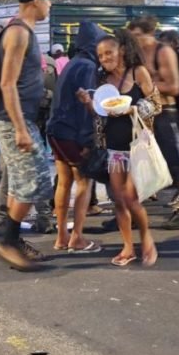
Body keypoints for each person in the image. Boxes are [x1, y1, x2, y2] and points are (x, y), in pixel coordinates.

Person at [0, 0, 61, 271]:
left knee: (21, 182)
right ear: (34, 1)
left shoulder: (25, 31)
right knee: (38, 182)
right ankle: (7, 241)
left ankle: (12, 239)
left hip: (19, 118)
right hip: (12, 120)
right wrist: (20, 128)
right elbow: (7, 84)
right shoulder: (18, 33)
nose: (50, 3)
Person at [77, 30, 161, 267]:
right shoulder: (104, 84)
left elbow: (157, 105)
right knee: (119, 201)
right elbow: (101, 116)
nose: (104, 58)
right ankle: (127, 246)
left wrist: (132, 109)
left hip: (137, 148)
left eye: (108, 53)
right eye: (100, 55)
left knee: (132, 199)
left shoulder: (138, 73)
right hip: (114, 150)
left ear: (121, 51)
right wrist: (88, 105)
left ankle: (147, 240)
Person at [129, 17, 179, 230]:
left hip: (165, 112)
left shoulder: (163, 52)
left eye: (138, 36)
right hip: (143, 115)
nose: (135, 40)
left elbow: (174, 86)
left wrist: (146, 84)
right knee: (139, 163)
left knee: (176, 162)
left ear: (150, 33)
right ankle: (132, 211)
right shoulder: (135, 54)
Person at [47, 22, 102, 254]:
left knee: (63, 181)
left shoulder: (71, 64)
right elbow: (84, 106)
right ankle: (77, 237)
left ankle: (62, 236)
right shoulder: (88, 66)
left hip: (55, 131)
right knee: (83, 182)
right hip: (73, 133)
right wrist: (88, 140)